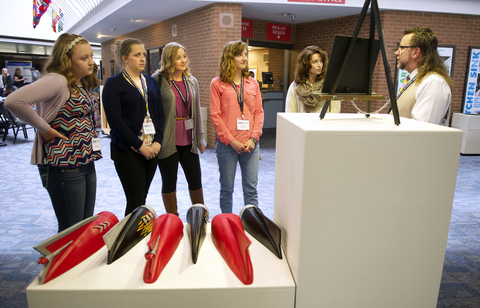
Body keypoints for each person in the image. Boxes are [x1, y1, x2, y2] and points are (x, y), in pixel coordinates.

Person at [5, 33, 102, 232]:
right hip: (65, 163)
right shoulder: (57, 80)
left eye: (91, 56)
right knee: (70, 228)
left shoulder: (79, 81)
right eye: (84, 58)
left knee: (84, 225)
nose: (91, 62)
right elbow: (13, 101)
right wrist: (44, 129)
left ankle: (78, 262)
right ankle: (63, 263)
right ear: (67, 60)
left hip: (85, 159)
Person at [102, 38, 165, 216]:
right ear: (125, 58)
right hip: (127, 150)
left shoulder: (150, 82)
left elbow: (160, 114)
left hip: (152, 148)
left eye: (143, 54)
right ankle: (127, 240)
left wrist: (157, 142)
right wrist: (140, 146)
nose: (142, 58)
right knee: (135, 200)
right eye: (137, 55)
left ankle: (133, 237)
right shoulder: (114, 84)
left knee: (141, 199)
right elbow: (115, 121)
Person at [152, 42, 206, 216]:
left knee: (195, 180)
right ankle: (172, 219)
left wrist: (201, 138)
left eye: (184, 56)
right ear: (169, 59)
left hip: (189, 139)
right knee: (169, 181)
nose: (183, 61)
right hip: (168, 140)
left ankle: (201, 217)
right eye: (178, 57)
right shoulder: (157, 80)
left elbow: (196, 110)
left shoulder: (191, 81)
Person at [210, 41, 264, 213]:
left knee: (251, 189)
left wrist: (253, 138)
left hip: (250, 145)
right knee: (226, 189)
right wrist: (231, 141)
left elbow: (259, 112)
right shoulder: (217, 84)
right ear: (229, 57)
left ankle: (253, 225)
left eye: (246, 54)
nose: (244, 58)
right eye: (240, 54)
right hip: (227, 146)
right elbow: (215, 116)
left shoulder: (252, 83)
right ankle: (227, 225)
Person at [391, 27, 453, 125]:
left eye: (402, 48)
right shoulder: (416, 79)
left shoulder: (433, 83)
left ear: (415, 52)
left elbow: (422, 130)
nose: (397, 52)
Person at [286, 46, 341, 113]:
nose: (319, 65)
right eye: (315, 61)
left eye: (321, 61)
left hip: (324, 123)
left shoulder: (329, 85)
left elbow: (335, 111)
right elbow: (290, 113)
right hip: (301, 123)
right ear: (306, 64)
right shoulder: (295, 86)